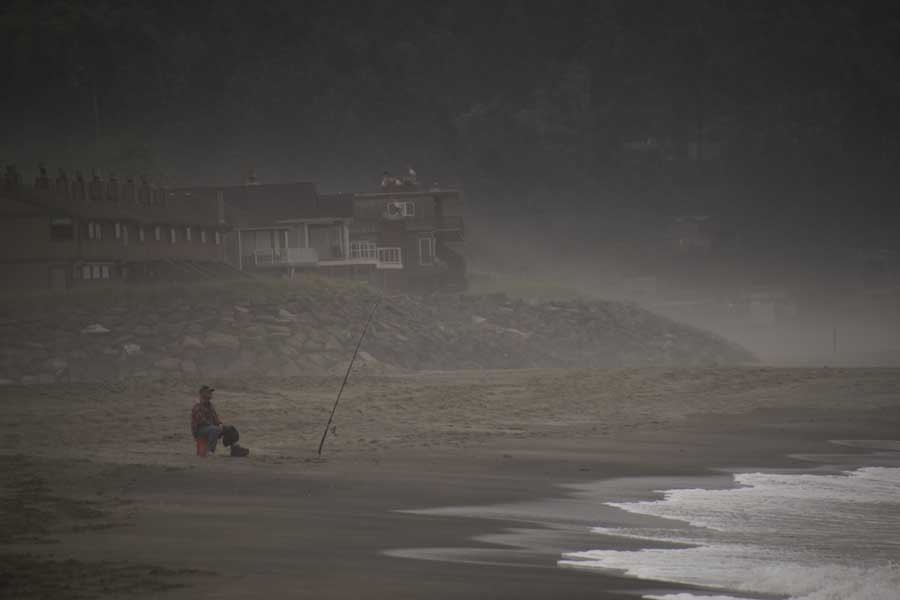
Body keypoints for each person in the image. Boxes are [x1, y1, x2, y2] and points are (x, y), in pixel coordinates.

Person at [191, 385, 224, 456]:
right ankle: (210, 452)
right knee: (214, 429)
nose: (210, 394)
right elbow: (201, 421)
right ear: (203, 394)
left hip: (209, 427)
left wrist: (220, 424)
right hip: (200, 430)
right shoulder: (197, 405)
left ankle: (235, 448)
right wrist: (216, 426)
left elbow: (215, 417)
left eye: (210, 392)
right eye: (208, 392)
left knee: (230, 429)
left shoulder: (210, 405)